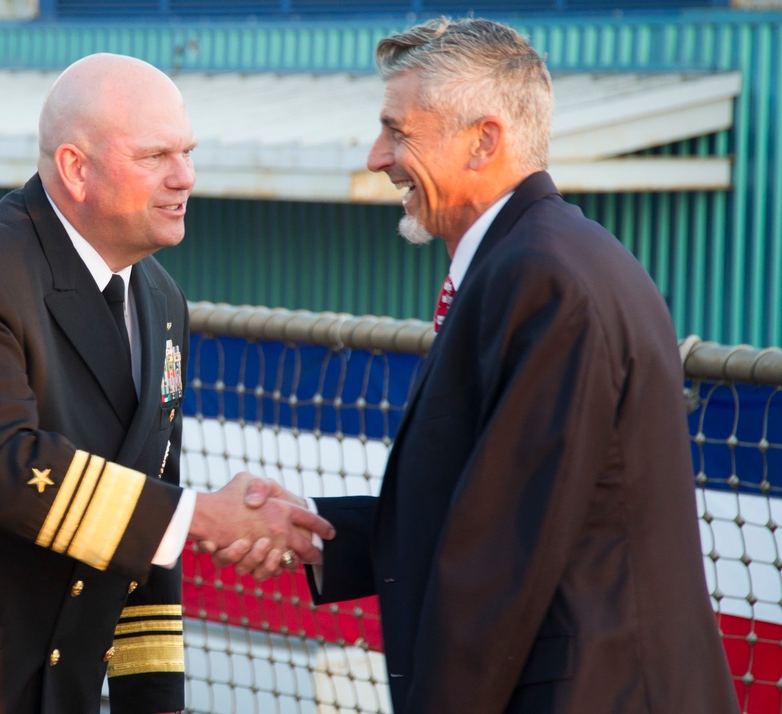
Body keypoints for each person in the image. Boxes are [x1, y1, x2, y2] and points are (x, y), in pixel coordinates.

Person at [220, 17, 739, 714]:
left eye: (397, 131)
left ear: (484, 140)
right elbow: (491, 503)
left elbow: (502, 554)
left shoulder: (542, 278)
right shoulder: (549, 259)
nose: (378, 156)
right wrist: (316, 529)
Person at [0, 53, 332, 714]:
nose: (185, 177)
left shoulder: (161, 300)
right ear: (75, 168)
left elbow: (149, 520)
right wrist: (201, 516)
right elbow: (2, 465)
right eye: (154, 156)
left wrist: (154, 702)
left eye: (188, 152)